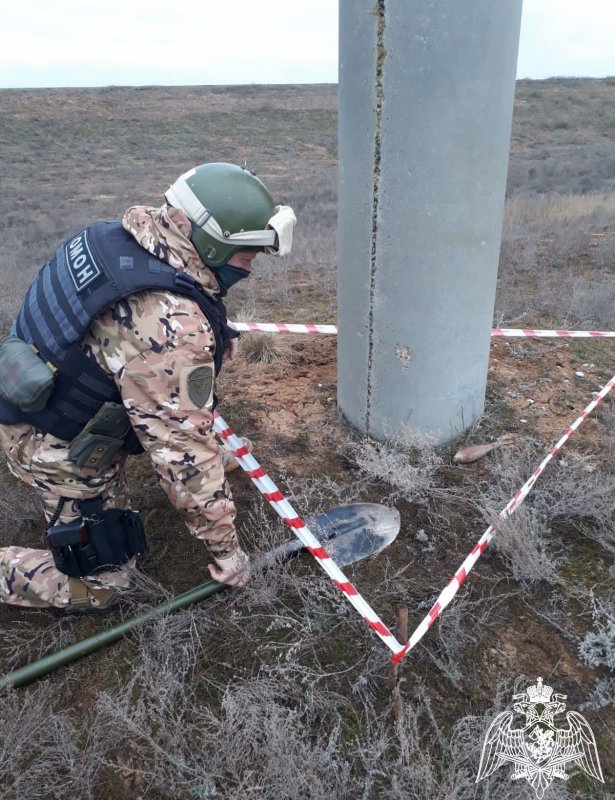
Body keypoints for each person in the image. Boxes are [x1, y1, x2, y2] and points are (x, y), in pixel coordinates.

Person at [0, 162, 296, 613]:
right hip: (51, 446)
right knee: (105, 586)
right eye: (248, 252)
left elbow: (138, 319)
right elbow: (183, 458)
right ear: (212, 242)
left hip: (31, 390)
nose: (254, 264)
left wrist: (219, 332)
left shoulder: (116, 238)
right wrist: (227, 553)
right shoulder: (171, 328)